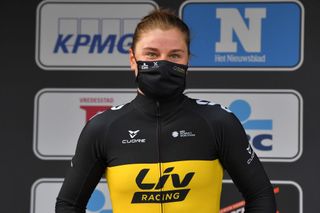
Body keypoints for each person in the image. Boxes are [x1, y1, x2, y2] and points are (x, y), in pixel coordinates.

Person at [55, 9, 276, 213]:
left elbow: (261, 197)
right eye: (151, 54)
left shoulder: (218, 122)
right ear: (133, 59)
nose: (163, 64)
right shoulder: (103, 128)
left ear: (188, 59)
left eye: (174, 55)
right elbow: (68, 205)